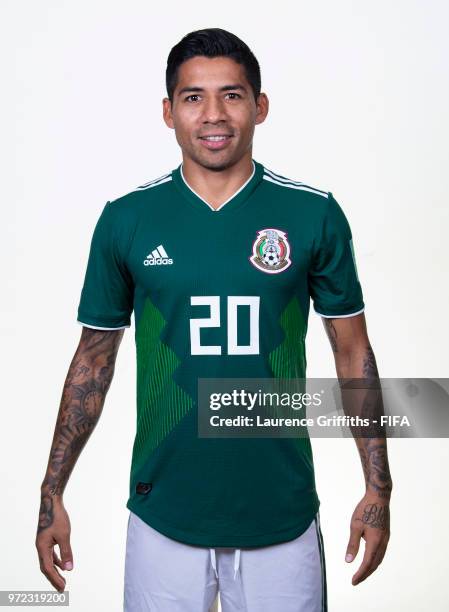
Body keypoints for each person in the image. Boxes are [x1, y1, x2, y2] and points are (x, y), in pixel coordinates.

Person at [35, 27, 393, 612]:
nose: (213, 114)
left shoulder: (312, 214)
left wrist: (378, 487)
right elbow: (93, 362)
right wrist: (53, 492)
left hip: (280, 507)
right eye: (193, 97)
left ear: (260, 105)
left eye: (231, 94)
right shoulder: (127, 220)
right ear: (168, 112)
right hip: (163, 509)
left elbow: (352, 352)